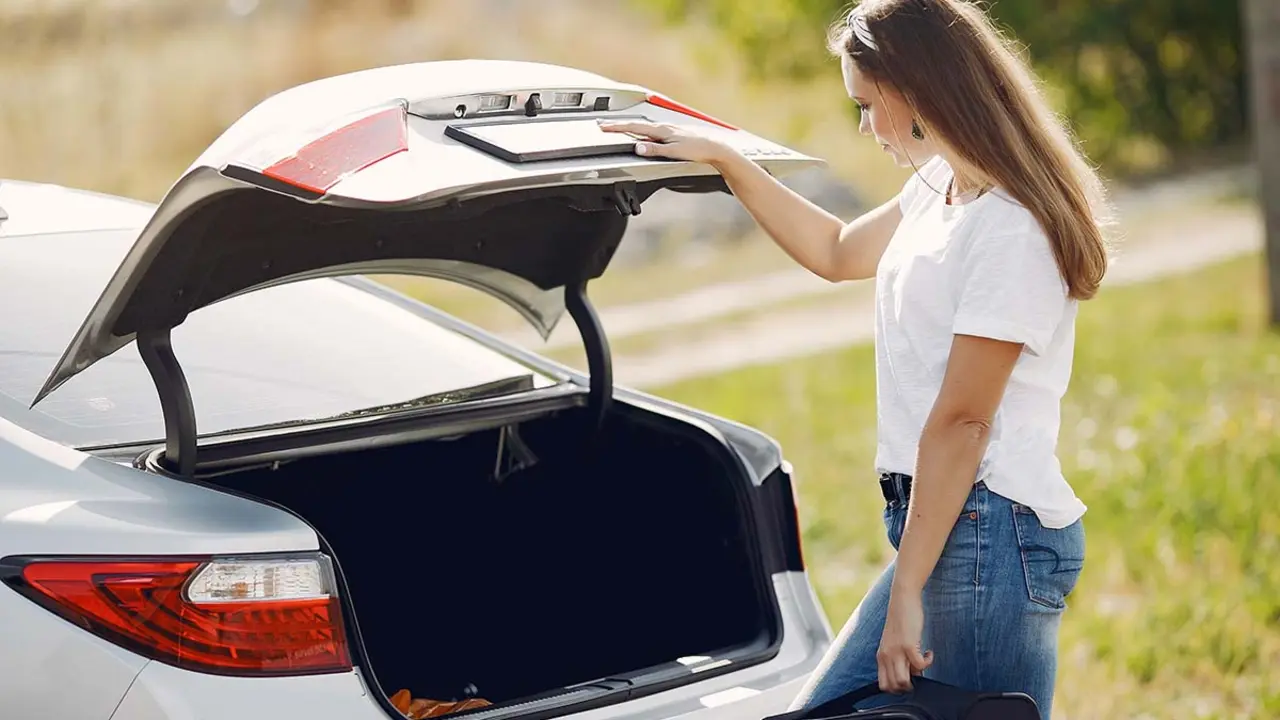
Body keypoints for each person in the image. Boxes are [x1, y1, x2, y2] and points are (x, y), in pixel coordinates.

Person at [599, 0, 1112, 717]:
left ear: (921, 88)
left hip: (992, 536)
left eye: (867, 105)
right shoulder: (939, 189)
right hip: (947, 523)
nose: (866, 128)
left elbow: (963, 422)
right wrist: (727, 161)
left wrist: (907, 592)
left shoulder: (1011, 229)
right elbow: (836, 253)